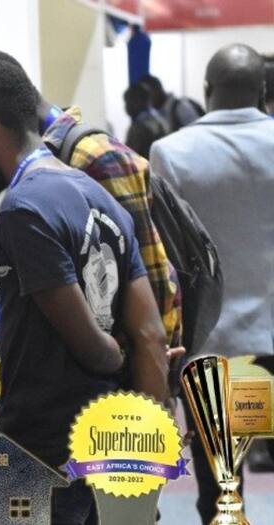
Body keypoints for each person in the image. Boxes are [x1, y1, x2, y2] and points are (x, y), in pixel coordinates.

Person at [0, 60, 169, 524]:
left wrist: (114, 351)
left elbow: (91, 347)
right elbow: (153, 336)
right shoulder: (98, 195)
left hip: (39, 451)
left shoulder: (22, 210)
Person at [0, 49, 182, 390]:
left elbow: (150, 313)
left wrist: (144, 381)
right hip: (74, 411)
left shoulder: (84, 166)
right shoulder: (52, 182)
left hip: (67, 424)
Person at [149, 43, 274, 524]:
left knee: (224, 493)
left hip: (217, 351)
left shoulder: (171, 153)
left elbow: (168, 261)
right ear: (262, 93)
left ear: (206, 92)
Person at [139, 74, 205, 133]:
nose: (146, 98)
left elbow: (198, 133)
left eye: (148, 93)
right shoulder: (153, 115)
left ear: (158, 89)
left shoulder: (180, 107)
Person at [123, 83, 170, 158]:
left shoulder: (138, 128)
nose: (125, 107)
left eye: (127, 102)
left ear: (136, 101)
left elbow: (128, 157)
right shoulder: (161, 119)